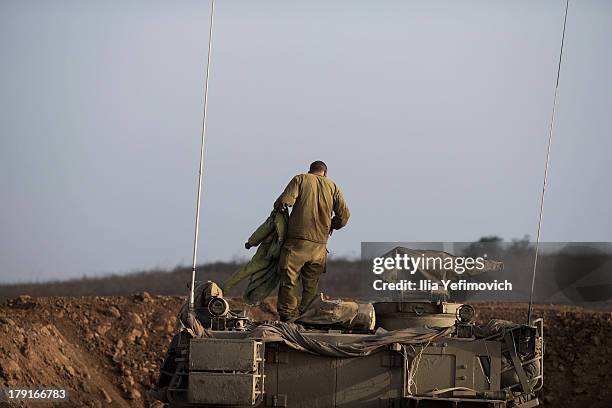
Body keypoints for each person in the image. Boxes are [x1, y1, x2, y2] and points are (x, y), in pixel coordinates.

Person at [274, 160, 350, 321]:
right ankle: (307, 317)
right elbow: (344, 217)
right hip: (319, 247)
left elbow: (284, 202)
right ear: (325, 173)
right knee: (311, 286)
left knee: (289, 281)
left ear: (310, 171)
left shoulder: (300, 179)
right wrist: (331, 225)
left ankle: (287, 317)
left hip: (297, 243)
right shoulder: (333, 186)